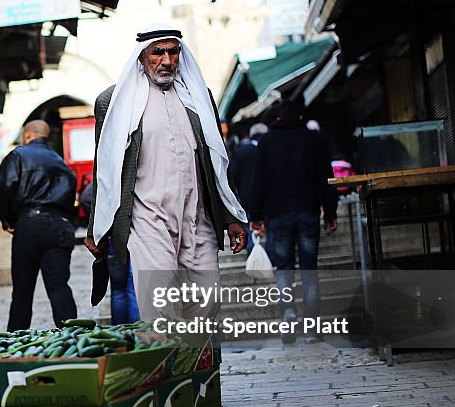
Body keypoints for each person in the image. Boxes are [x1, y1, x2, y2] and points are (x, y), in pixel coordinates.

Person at [85, 23, 248, 322]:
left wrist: (231, 216)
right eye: (157, 52)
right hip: (148, 220)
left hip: (197, 218)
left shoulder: (198, 98)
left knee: (207, 301)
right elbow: (104, 168)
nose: (166, 60)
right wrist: (96, 225)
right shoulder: (113, 102)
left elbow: (216, 159)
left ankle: (196, 366)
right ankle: (168, 366)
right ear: (142, 58)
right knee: (161, 307)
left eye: (173, 52)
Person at [246, 100, 338, 344]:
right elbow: (325, 178)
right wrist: (330, 213)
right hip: (307, 211)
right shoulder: (313, 139)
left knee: (284, 269)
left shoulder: (266, 142)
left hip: (277, 215)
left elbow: (259, 182)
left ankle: (288, 315)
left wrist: (255, 216)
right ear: (300, 116)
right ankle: (312, 326)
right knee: (309, 269)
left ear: (277, 118)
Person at [0, 119, 78, 330]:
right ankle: (74, 335)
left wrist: (8, 221)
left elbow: (5, 188)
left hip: (29, 224)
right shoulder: (60, 161)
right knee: (59, 286)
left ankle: (15, 342)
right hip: (60, 226)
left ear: (28, 134)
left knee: (23, 291)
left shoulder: (17, 156)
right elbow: (71, 197)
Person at [80, 181, 138, 324]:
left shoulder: (112, 169)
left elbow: (86, 198)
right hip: (137, 233)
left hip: (115, 235)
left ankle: (119, 332)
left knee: (118, 289)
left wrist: (106, 221)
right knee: (134, 286)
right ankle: (138, 332)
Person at [230, 122, 269, 253]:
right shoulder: (269, 148)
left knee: (248, 223)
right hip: (268, 196)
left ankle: (252, 250)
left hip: (246, 195)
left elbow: (233, 175)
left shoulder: (242, 151)